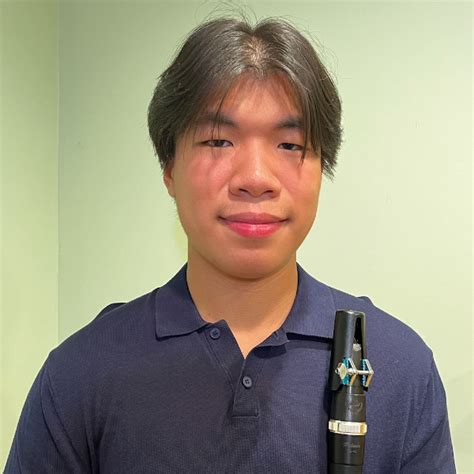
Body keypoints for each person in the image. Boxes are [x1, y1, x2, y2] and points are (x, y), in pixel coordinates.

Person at [5, 16, 455, 473]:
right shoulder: (80, 374)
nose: (255, 178)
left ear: (322, 168)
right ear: (169, 168)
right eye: (218, 141)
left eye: (289, 144)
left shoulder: (401, 367)